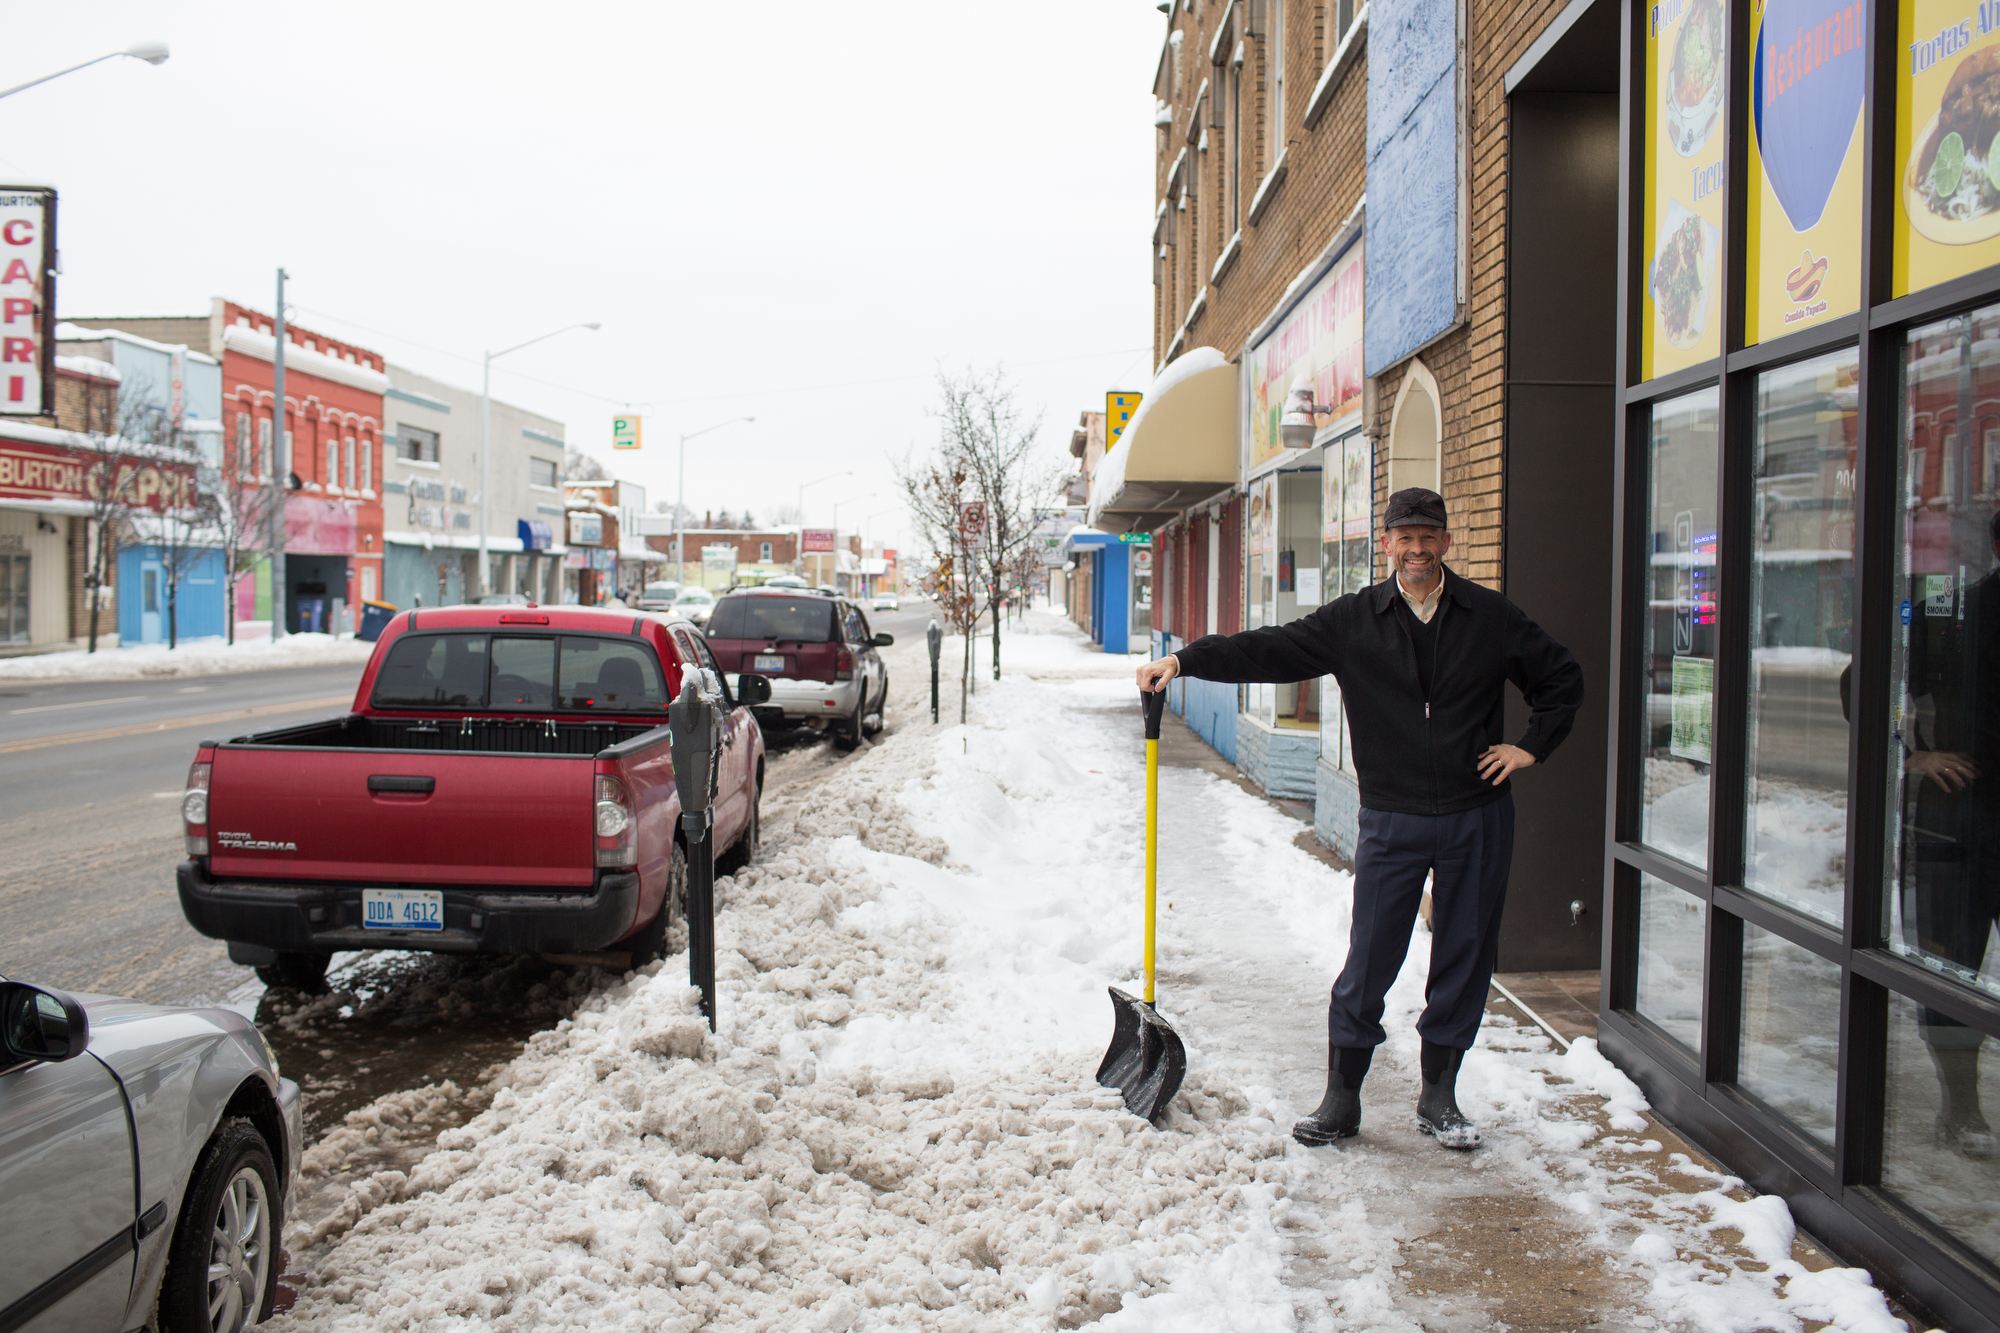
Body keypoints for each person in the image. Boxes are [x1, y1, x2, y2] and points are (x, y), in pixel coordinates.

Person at [1136, 487, 1584, 1150]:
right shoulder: (1355, 620)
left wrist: (1530, 747)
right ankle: (1342, 1098)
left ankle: (1440, 1097)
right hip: (1393, 818)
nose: (1416, 549)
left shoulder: (1490, 617)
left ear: (1446, 543)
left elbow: (1562, 677)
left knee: (1463, 954)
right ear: (1387, 544)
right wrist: (1186, 660)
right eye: (1404, 537)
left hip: (1475, 816)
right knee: (1369, 957)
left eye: (1428, 536)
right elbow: (1272, 648)